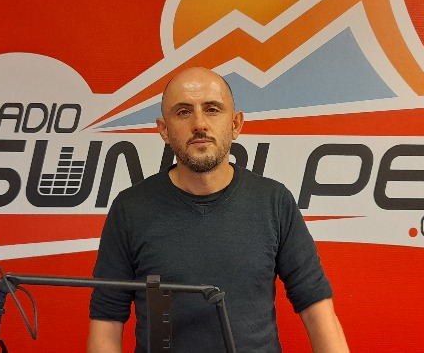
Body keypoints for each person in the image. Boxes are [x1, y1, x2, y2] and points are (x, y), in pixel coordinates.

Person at [87, 67, 349, 352]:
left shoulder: (274, 201)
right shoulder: (130, 209)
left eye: (212, 109)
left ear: (235, 124)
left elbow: (317, 310)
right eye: (183, 112)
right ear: (164, 129)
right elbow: (106, 323)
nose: (199, 124)